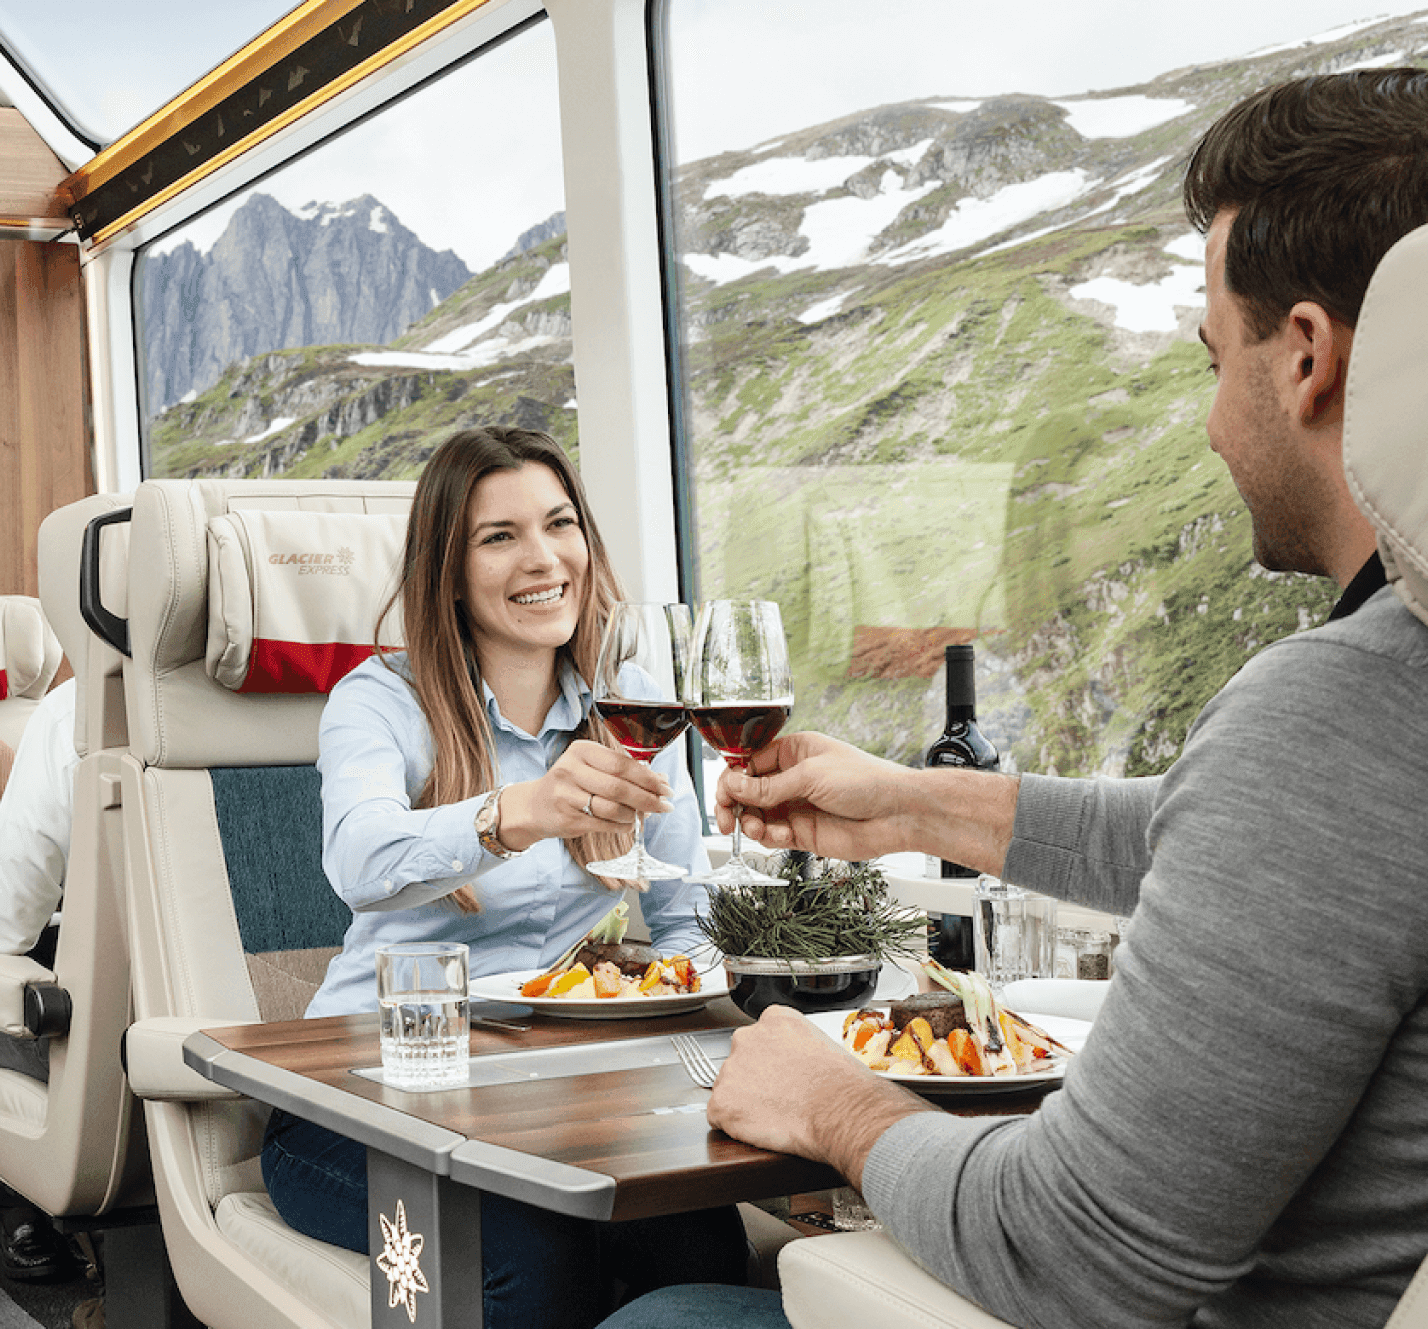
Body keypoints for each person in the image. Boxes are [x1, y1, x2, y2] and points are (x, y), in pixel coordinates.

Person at [598, 69, 1428, 1329]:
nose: (1209, 423)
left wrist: (832, 1102)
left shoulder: (1347, 708)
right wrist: (908, 808)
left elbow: (1080, 1252)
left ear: (1306, 355)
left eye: (1218, 360)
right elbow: (1243, 848)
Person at [260, 426, 747, 1328]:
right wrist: (517, 811)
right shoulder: (380, 700)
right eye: (500, 536)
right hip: (362, 1097)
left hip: (553, 1096)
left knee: (698, 1235)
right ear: (447, 570)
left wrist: (702, 1059)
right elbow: (358, 863)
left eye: (560, 524)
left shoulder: (629, 694)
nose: (543, 558)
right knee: (535, 1252)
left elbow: (686, 914)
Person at [0, 676, 78, 1282]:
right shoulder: (360, 691)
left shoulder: (69, 717)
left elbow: (6, 924)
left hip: (118, 1048)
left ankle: (24, 1210)